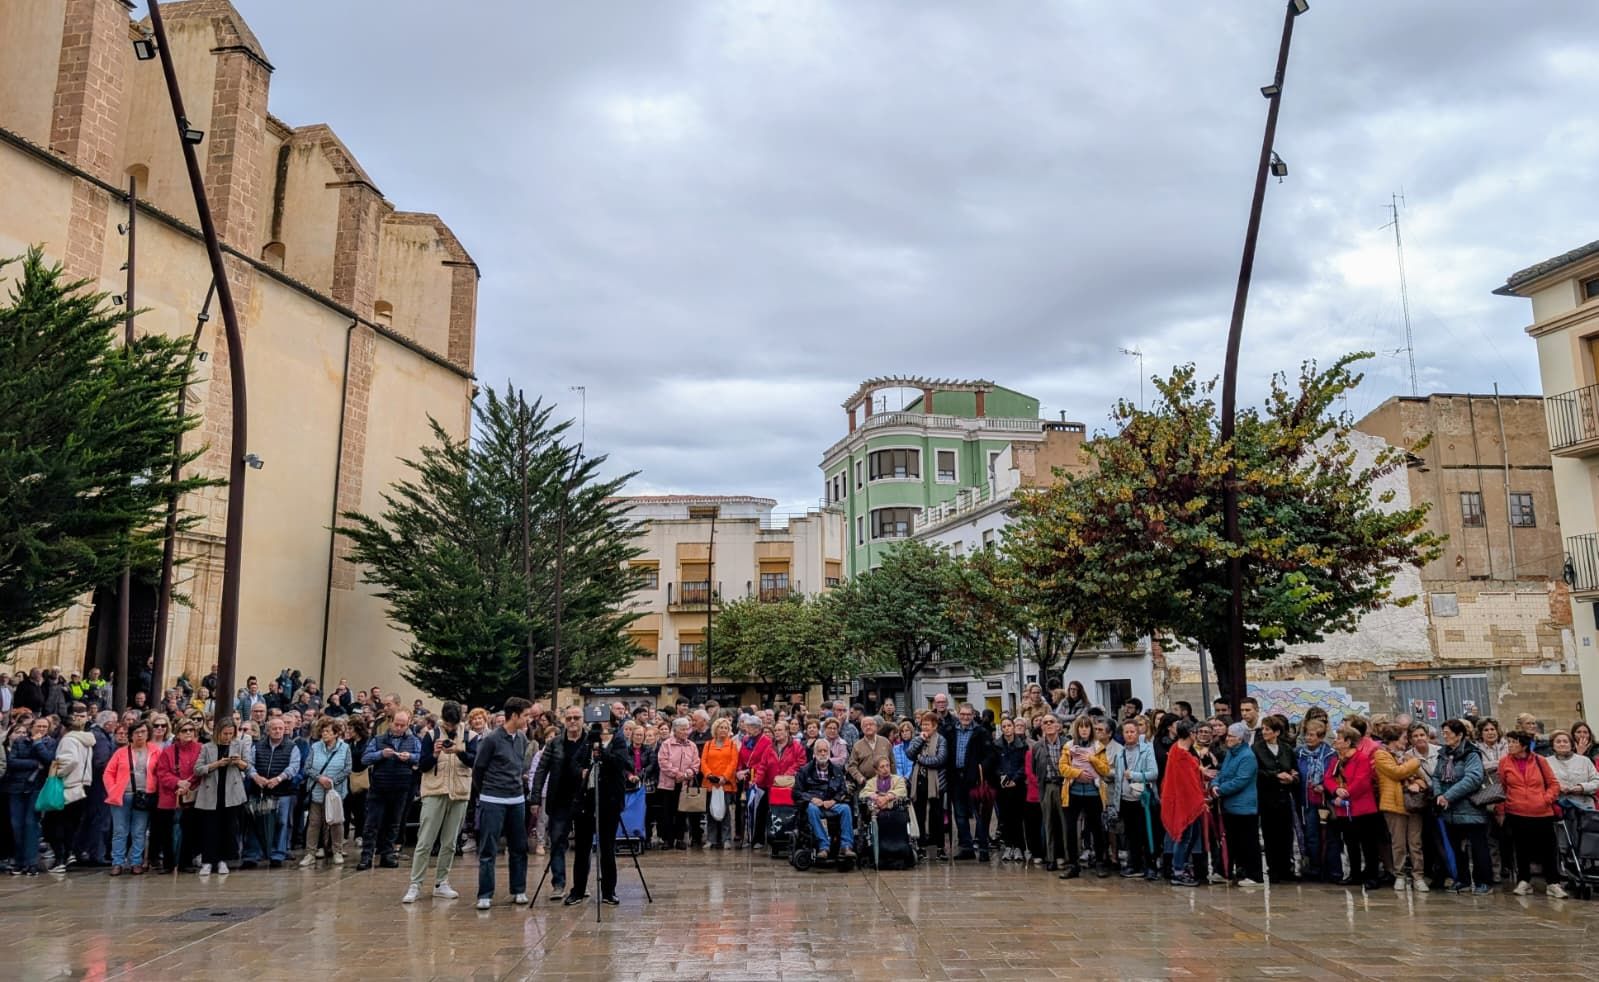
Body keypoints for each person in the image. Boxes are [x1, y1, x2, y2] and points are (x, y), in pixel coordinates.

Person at [564, 720, 637, 906]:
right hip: (587, 801)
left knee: (607, 848)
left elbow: (623, 763)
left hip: (609, 802)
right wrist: (581, 770)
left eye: (605, 725)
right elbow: (574, 762)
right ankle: (578, 890)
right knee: (582, 848)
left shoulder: (619, 741)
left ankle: (608, 891)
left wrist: (602, 752)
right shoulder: (588, 740)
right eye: (598, 725)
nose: (601, 729)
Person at [473, 697, 533, 910]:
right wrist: (486, 793)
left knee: (519, 847)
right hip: (493, 799)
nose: (528, 719)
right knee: (489, 848)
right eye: (525, 715)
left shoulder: (522, 739)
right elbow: (478, 769)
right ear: (514, 715)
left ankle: (518, 889)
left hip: (516, 799)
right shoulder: (491, 740)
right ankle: (485, 893)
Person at [530, 705, 588, 901]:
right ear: (563, 721)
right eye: (569, 718)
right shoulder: (554, 743)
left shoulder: (590, 742)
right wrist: (535, 798)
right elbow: (540, 771)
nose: (573, 721)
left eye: (576, 717)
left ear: (583, 720)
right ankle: (559, 883)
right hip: (559, 799)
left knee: (583, 845)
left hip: (584, 799)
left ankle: (581, 885)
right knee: (557, 841)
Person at [1499, 729, 1566, 897]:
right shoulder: (1504, 762)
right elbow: (1503, 786)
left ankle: (1553, 882)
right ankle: (1524, 880)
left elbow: (1553, 784)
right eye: (1509, 742)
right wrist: (1506, 805)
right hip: (1517, 811)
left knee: (1548, 848)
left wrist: (1546, 799)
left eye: (1514, 742)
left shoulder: (1539, 760)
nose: (1511, 746)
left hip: (1541, 811)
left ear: (1523, 745)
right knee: (1522, 848)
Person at [1433, 718, 1494, 894]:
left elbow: (1473, 778)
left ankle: (1484, 881)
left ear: (1459, 735)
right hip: (1449, 810)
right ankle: (1462, 879)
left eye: (1448, 733)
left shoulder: (1471, 753)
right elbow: (1437, 776)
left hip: (1470, 808)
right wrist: (1439, 795)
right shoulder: (1443, 754)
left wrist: (1449, 796)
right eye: (1443, 733)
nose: (1445, 737)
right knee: (1456, 847)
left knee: (1477, 846)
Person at [358, 710, 419, 870]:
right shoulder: (378, 739)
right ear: (391, 722)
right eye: (396, 724)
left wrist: (411, 757)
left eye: (403, 725)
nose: (399, 728)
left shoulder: (413, 740)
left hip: (401, 787)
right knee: (372, 823)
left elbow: (421, 756)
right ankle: (366, 856)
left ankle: (388, 854)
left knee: (394, 823)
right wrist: (380, 754)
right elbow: (365, 758)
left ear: (408, 725)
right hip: (379, 786)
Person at [1325, 724, 1383, 890]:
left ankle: (1372, 875)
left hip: (1362, 808)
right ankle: (1355, 874)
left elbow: (1362, 781)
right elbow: (1328, 778)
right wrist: (1336, 790)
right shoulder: (1336, 760)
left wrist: (1346, 792)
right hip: (1344, 809)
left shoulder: (1361, 758)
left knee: (1368, 844)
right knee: (1350, 843)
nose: (1335, 741)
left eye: (1338, 738)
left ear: (1348, 741)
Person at [1373, 722, 1425, 892]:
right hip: (1394, 804)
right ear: (1394, 739)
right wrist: (1416, 761)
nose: (1406, 741)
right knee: (1398, 843)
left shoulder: (1407, 757)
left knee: (1415, 842)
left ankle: (1418, 876)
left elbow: (1422, 778)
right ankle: (1400, 875)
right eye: (1403, 738)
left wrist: (1418, 784)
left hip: (1412, 804)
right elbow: (1396, 773)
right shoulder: (1381, 755)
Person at [194, 719, 251, 876]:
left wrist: (238, 762)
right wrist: (216, 764)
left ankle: (223, 860)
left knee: (229, 827)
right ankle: (207, 861)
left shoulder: (239, 745)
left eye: (230, 734)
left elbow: (249, 766)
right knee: (210, 828)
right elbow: (197, 769)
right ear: (218, 732)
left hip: (231, 792)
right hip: (211, 791)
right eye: (225, 734)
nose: (227, 737)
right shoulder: (206, 747)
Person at [1059, 714, 1109, 879]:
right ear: (1077, 729)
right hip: (1073, 793)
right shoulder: (1068, 747)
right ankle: (1073, 864)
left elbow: (1105, 770)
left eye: (1087, 727)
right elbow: (1063, 768)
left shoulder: (1098, 747)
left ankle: (1100, 862)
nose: (1084, 730)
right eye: (1081, 727)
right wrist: (1078, 773)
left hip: (1093, 793)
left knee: (1097, 828)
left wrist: (1091, 759)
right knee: (1071, 829)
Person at [4, 715, 54, 876]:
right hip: (17, 787)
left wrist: (38, 744)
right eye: (38, 726)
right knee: (16, 825)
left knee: (31, 824)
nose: (40, 729)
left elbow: (49, 760)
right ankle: (19, 861)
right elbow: (12, 762)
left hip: (37, 788)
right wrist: (33, 764)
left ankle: (31, 862)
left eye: (44, 727)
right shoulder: (20, 742)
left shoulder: (50, 743)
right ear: (31, 727)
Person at [1212, 722, 1262, 886]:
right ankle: (1225, 870)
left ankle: (1254, 875)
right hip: (1229, 806)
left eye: (1232, 736)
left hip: (1244, 807)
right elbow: (1222, 773)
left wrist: (1221, 790)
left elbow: (1241, 780)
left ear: (1240, 739)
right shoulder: (1230, 754)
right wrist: (1214, 784)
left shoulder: (1247, 756)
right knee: (1231, 840)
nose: (1228, 739)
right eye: (1228, 736)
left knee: (1248, 842)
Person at [248, 717, 301, 869]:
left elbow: (293, 767)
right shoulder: (257, 746)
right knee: (255, 822)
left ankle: (278, 854)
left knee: (281, 823)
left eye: (280, 728)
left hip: (283, 791)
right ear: (268, 730)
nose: (278, 731)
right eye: (274, 728)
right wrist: (256, 777)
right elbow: (250, 764)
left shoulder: (292, 747)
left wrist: (278, 779)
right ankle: (253, 855)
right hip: (259, 790)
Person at [48, 705, 95, 874]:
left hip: (68, 786)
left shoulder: (68, 740)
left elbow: (70, 760)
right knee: (70, 824)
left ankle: (60, 858)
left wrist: (55, 772)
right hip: (83, 786)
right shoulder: (86, 741)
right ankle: (69, 854)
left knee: (55, 824)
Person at [1111, 718, 1160, 880]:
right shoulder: (1120, 753)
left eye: (1132, 731)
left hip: (1142, 799)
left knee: (1147, 833)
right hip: (1125, 800)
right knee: (1131, 835)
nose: (1130, 734)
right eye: (1127, 732)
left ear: (1138, 732)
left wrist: (1134, 775)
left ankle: (1151, 865)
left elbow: (1153, 773)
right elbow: (1118, 778)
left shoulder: (1146, 749)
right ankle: (1135, 865)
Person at [1160, 721, 1207, 887]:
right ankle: (1178, 870)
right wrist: (1200, 800)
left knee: (1192, 835)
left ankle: (1181, 865)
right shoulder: (1182, 755)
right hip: (1184, 801)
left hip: (1181, 799)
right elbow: (1189, 783)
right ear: (1191, 734)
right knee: (1185, 836)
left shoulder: (1175, 749)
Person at [1252, 714, 1297, 883]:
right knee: (1270, 834)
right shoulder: (1257, 749)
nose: (1264, 732)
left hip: (1284, 796)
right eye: (1263, 729)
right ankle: (1274, 869)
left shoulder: (1286, 749)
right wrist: (1276, 775)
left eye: (1267, 729)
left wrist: (1292, 777)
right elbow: (1256, 772)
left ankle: (1286, 867)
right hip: (1267, 796)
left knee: (1285, 833)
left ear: (1277, 732)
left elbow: (1293, 768)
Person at [947, 702, 994, 863]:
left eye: (968, 714)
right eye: (963, 714)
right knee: (959, 815)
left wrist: (980, 769)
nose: (965, 717)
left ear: (973, 715)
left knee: (978, 815)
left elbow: (990, 754)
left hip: (974, 779)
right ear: (958, 715)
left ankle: (983, 848)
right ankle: (966, 848)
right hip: (955, 778)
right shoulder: (950, 730)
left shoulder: (981, 732)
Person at [155, 718, 203, 872]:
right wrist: (177, 782)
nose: (188, 733)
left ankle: (185, 863)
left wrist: (188, 783)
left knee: (190, 830)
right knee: (166, 832)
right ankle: (168, 863)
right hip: (170, 796)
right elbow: (162, 773)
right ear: (177, 733)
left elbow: (201, 770)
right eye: (184, 730)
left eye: (191, 730)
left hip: (191, 794)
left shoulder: (201, 749)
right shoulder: (168, 751)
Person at [795, 737, 855, 861]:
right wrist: (811, 799)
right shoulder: (805, 770)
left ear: (829, 752)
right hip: (814, 804)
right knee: (812, 809)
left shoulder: (837, 770)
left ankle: (846, 846)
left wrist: (834, 800)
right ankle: (823, 846)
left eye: (825, 751)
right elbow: (796, 792)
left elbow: (843, 790)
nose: (823, 753)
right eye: (820, 751)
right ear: (815, 753)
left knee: (845, 808)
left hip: (831, 803)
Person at [905, 716, 947, 860]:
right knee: (919, 815)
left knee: (937, 815)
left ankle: (940, 847)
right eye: (923, 725)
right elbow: (910, 754)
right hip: (919, 781)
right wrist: (920, 741)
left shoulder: (941, 740)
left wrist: (921, 759)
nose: (925, 727)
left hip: (936, 782)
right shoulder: (917, 739)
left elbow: (940, 759)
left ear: (935, 726)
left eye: (928, 725)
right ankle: (921, 846)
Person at [655, 717, 700, 851]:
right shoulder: (666, 744)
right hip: (668, 784)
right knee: (667, 813)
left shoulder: (692, 745)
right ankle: (668, 840)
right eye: (683, 729)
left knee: (682, 813)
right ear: (675, 730)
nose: (686, 732)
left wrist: (687, 773)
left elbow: (696, 763)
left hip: (685, 784)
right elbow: (663, 762)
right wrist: (677, 774)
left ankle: (680, 839)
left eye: (687, 729)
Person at [1031, 714, 1067, 871]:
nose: (1049, 725)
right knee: (1048, 823)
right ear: (1042, 727)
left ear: (1059, 725)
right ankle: (1051, 857)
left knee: (1065, 824)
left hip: (1064, 786)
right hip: (1046, 787)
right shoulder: (1037, 747)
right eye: (1045, 723)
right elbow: (1034, 768)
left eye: (1052, 722)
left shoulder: (1067, 744)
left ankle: (1067, 857)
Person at [994, 718, 1030, 862]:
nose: (1007, 729)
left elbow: (1024, 765)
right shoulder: (996, 745)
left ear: (1014, 727)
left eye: (1009, 726)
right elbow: (995, 764)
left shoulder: (1022, 745)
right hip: (1002, 786)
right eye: (1004, 726)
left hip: (1018, 786)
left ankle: (1019, 847)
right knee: (1005, 817)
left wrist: (1015, 779)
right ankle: (1009, 845)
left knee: (1018, 817)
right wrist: (1002, 776)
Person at [699, 717, 738, 850]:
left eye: (726, 728)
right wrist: (709, 775)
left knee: (726, 812)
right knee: (711, 812)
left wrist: (724, 777)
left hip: (725, 784)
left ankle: (726, 839)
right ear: (715, 729)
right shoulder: (708, 744)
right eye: (721, 727)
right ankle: (711, 839)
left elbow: (733, 763)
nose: (723, 730)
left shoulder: (732, 745)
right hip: (710, 783)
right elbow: (703, 762)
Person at [1549, 729, 1599, 810]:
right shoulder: (1546, 762)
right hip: (1557, 806)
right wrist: (1558, 787)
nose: (1562, 744)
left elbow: (1596, 781)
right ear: (1552, 746)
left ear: (1571, 745)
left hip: (1584, 805)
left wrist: (1582, 787)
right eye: (1558, 742)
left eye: (1565, 741)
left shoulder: (1584, 760)